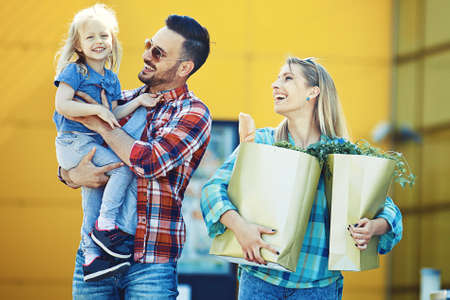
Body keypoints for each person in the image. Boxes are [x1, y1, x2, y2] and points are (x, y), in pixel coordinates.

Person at [200, 57, 403, 300]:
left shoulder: (340, 153)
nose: (275, 84)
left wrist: (372, 227)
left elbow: (387, 210)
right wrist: (240, 228)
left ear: (313, 92)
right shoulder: (263, 142)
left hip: (319, 287)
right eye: (277, 78)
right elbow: (212, 190)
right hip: (260, 280)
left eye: (287, 78)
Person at [58, 14, 212, 299]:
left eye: (158, 52)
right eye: (148, 45)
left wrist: (101, 125)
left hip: (150, 263)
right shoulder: (122, 100)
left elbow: (149, 162)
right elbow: (73, 141)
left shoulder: (192, 113)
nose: (146, 55)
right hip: (93, 259)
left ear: (185, 67)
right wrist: (69, 175)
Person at [53, 4, 161, 282]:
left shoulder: (111, 79)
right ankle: (106, 225)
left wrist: (137, 101)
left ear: (113, 41)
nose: (98, 42)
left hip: (91, 142)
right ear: (78, 44)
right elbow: (62, 105)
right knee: (122, 169)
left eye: (104, 36)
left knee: (93, 193)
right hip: (73, 142)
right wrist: (97, 111)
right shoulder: (76, 72)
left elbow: (113, 115)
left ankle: (91, 254)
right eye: (90, 37)